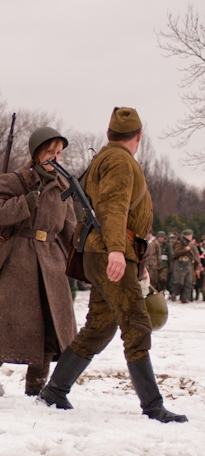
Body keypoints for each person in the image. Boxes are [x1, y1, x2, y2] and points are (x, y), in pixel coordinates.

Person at [39, 107, 187, 423]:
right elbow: (113, 207)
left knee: (99, 327)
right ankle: (152, 405)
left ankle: (54, 391)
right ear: (139, 136)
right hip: (110, 252)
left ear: (109, 135)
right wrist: (118, 251)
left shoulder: (106, 157)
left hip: (102, 251)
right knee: (136, 324)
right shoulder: (120, 161)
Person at [0, 127, 77, 396]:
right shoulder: (16, 180)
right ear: (36, 153)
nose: (54, 157)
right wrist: (25, 202)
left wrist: (84, 262)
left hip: (52, 264)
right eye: (49, 152)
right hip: (18, 261)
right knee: (12, 327)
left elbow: (70, 231)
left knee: (49, 328)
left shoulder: (63, 186)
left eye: (58, 153)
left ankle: (37, 390)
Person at [171, 229, 199, 303]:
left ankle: (184, 298)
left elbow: (196, 255)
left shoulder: (191, 244)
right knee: (179, 282)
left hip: (188, 263)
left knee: (188, 282)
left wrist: (198, 264)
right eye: (190, 236)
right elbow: (176, 253)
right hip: (180, 263)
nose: (191, 237)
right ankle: (174, 293)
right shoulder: (179, 243)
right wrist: (185, 250)